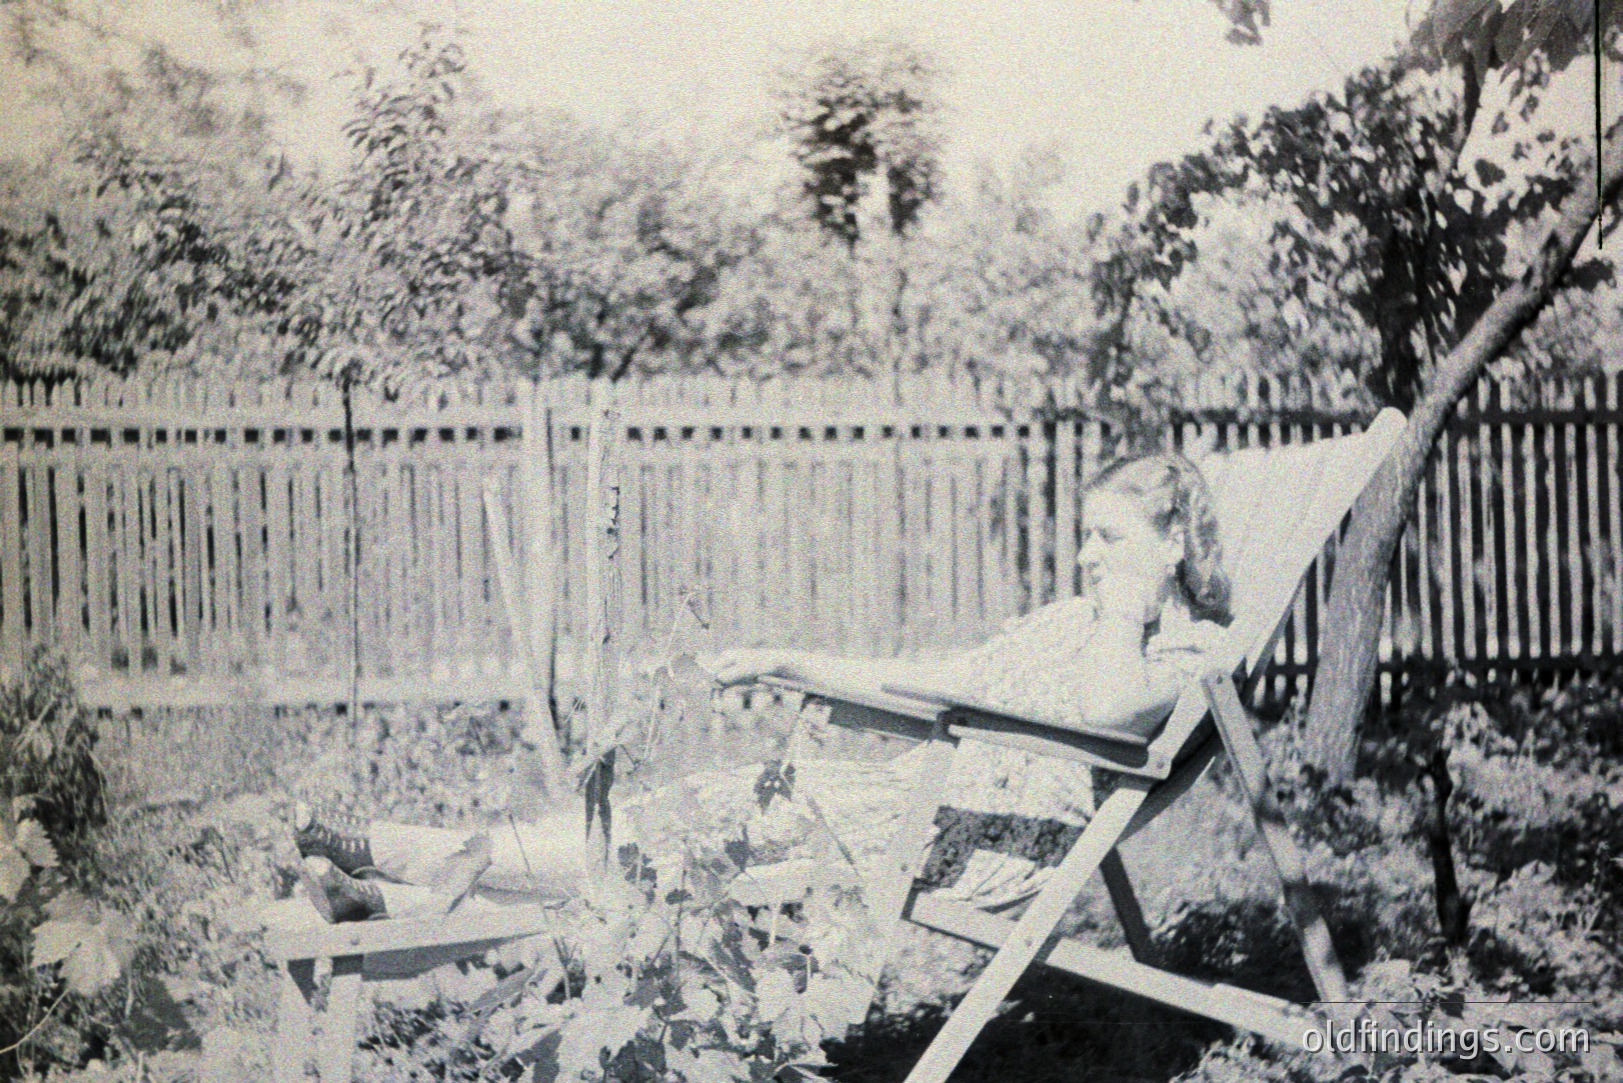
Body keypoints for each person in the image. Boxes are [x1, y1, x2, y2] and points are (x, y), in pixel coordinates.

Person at [294, 451, 1232, 921]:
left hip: (979, 848)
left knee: (687, 840)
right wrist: (790, 659)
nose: (1085, 557)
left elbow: (1109, 713)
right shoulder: (1075, 623)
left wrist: (1134, 599)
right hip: (920, 808)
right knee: (683, 824)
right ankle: (393, 888)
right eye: (1088, 537)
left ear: (1173, 543)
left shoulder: (1184, 657)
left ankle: (393, 854)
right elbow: (941, 680)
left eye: (1108, 539)